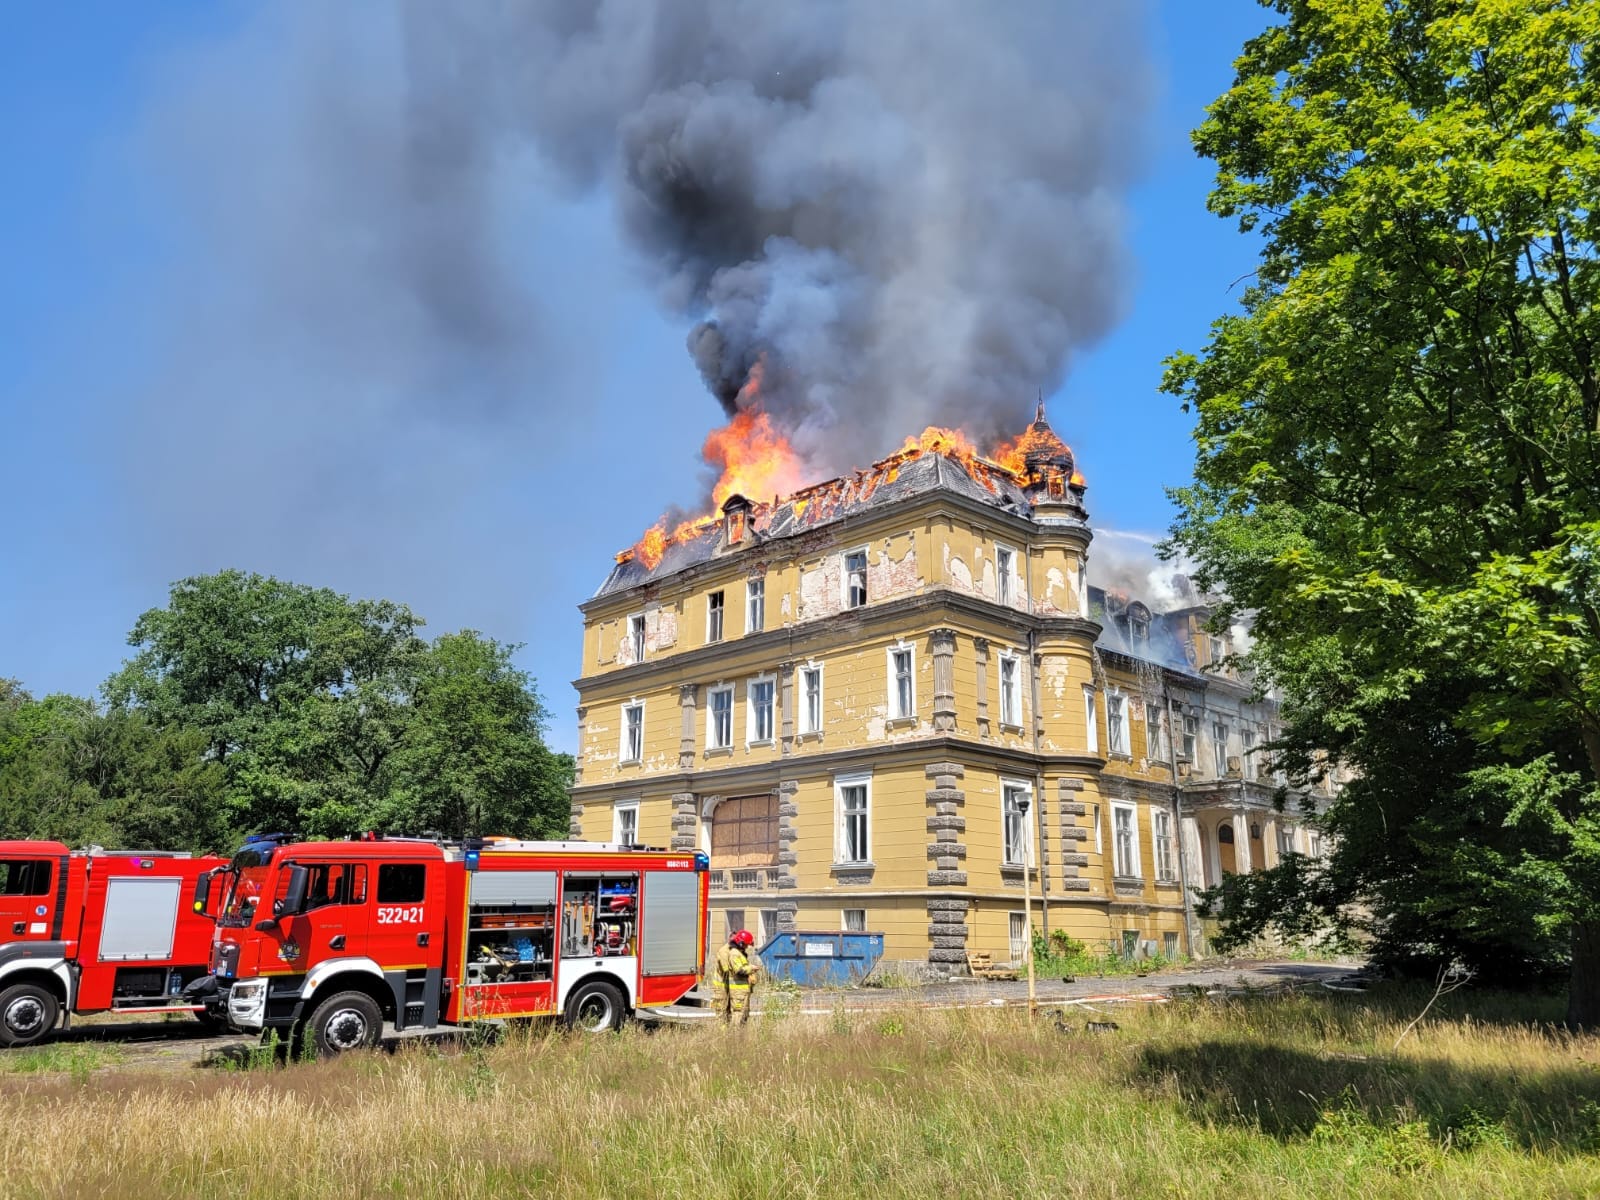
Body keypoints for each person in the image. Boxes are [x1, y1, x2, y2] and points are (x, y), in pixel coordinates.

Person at [712, 929, 759, 1025]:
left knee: (737, 1013)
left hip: (734, 988)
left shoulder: (736, 952)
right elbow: (730, 971)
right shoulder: (726, 952)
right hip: (723, 987)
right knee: (723, 1013)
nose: (746, 947)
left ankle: (730, 1034)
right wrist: (750, 968)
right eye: (746, 945)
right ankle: (724, 1035)